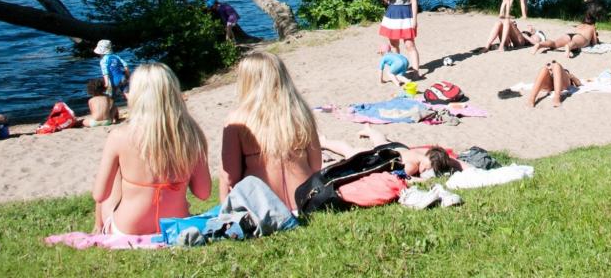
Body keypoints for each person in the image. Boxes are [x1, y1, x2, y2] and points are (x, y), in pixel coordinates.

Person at [92, 63, 211, 235]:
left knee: (118, 169)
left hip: (128, 228)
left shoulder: (120, 135)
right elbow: (204, 192)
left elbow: (100, 195)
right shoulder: (191, 134)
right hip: (174, 224)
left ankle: (99, 227)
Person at [220, 52, 323, 211]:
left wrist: (225, 213)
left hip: (264, 208)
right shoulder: (301, 113)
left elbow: (229, 178)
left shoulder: (236, 120)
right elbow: (316, 165)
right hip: (306, 202)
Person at [334, 127, 461, 176]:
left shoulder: (427, 152)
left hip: (399, 148)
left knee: (381, 140)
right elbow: (401, 177)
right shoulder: (412, 167)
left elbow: (451, 160)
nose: (425, 171)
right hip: (386, 153)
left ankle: (369, 130)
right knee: (350, 152)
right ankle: (324, 141)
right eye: (427, 168)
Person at [380, 0, 422, 76]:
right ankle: (399, 68)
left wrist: (415, 19)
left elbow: (414, 1)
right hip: (392, 15)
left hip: (405, 15)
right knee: (394, 45)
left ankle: (416, 71)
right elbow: (387, 2)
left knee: (410, 45)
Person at [532, 4, 601, 57]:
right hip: (580, 38)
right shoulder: (592, 27)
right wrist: (596, 40)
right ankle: (568, 47)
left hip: (570, 35)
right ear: (594, 19)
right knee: (574, 43)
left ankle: (540, 44)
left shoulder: (580, 25)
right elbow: (594, 43)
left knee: (555, 44)